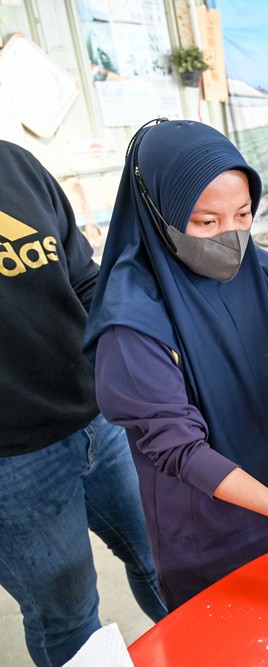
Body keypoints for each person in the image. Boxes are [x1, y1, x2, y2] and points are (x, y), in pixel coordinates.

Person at [82, 120, 268, 610]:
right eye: (206, 222)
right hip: (203, 526)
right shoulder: (132, 321)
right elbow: (179, 449)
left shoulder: (262, 273)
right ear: (160, 214)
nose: (231, 236)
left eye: (243, 214)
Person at [0, 140, 167, 665]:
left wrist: (136, 353)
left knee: (161, 558)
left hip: (99, 419)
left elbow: (83, 278)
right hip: (14, 460)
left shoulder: (15, 165)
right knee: (67, 613)